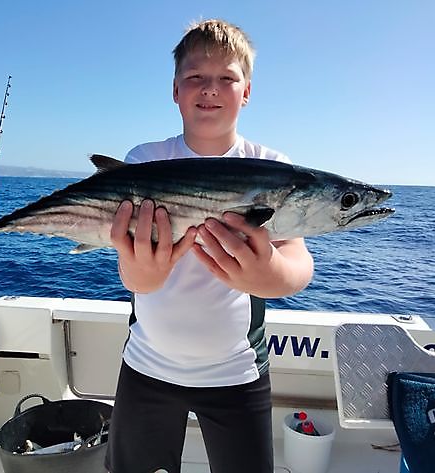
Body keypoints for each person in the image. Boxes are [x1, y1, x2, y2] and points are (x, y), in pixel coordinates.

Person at [106, 19, 314, 473]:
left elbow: (298, 263)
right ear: (176, 90)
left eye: (227, 78)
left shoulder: (273, 168)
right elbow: (133, 274)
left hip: (237, 372)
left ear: (247, 92)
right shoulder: (146, 160)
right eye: (196, 77)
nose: (210, 89)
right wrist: (148, 273)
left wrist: (270, 275)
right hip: (146, 366)